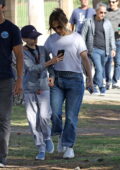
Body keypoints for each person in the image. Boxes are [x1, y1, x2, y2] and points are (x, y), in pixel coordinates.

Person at [44, 8, 93, 159]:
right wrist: (50, 74)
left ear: (65, 22)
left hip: (75, 80)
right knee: (55, 113)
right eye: (54, 27)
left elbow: (85, 59)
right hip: (57, 80)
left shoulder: (77, 38)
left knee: (71, 116)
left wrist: (89, 78)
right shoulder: (51, 40)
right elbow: (44, 60)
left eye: (59, 26)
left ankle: (69, 146)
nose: (57, 30)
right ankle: (59, 135)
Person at [21, 25, 64, 160]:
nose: (35, 40)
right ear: (24, 39)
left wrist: (52, 76)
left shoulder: (43, 49)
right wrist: (50, 61)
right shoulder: (21, 52)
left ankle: (47, 137)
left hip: (44, 87)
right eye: (32, 38)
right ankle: (40, 147)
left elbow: (51, 67)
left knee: (44, 117)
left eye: (36, 37)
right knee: (32, 120)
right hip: (29, 88)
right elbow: (32, 68)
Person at [0, 0, 23, 167]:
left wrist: (19, 79)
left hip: (5, 79)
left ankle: (2, 156)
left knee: (4, 118)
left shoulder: (12, 29)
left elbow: (19, 56)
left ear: (2, 7)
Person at [81, 2, 116, 95]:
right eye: (101, 12)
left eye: (104, 13)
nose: (103, 14)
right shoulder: (88, 21)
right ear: (96, 11)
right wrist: (82, 49)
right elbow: (83, 36)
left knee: (99, 69)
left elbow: (111, 37)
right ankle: (101, 87)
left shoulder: (107, 23)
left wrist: (113, 49)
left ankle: (93, 85)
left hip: (105, 51)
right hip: (93, 49)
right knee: (99, 69)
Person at [105, 0, 120, 89]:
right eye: (110, 1)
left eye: (113, 2)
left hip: (118, 39)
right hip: (107, 40)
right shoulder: (106, 12)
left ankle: (115, 81)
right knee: (107, 61)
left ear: (118, 2)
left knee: (118, 62)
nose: (111, 3)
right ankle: (107, 81)